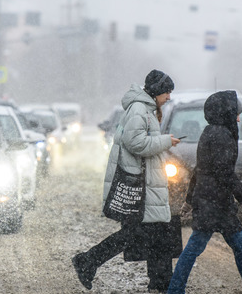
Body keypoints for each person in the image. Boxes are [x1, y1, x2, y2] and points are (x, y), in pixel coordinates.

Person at [72, 69, 181, 293]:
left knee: (157, 234)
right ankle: (88, 261)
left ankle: (159, 283)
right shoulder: (140, 109)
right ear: (157, 91)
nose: (169, 97)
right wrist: (165, 141)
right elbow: (136, 143)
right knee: (138, 234)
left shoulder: (146, 109)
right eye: (167, 92)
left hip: (148, 184)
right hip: (142, 186)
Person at [167, 91, 242, 294]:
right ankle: (175, 290)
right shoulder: (222, 136)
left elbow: (199, 169)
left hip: (211, 201)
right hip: (216, 203)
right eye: (236, 114)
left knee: (234, 245)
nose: (238, 118)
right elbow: (225, 172)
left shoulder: (209, 132)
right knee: (206, 246)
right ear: (227, 114)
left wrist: (189, 200)